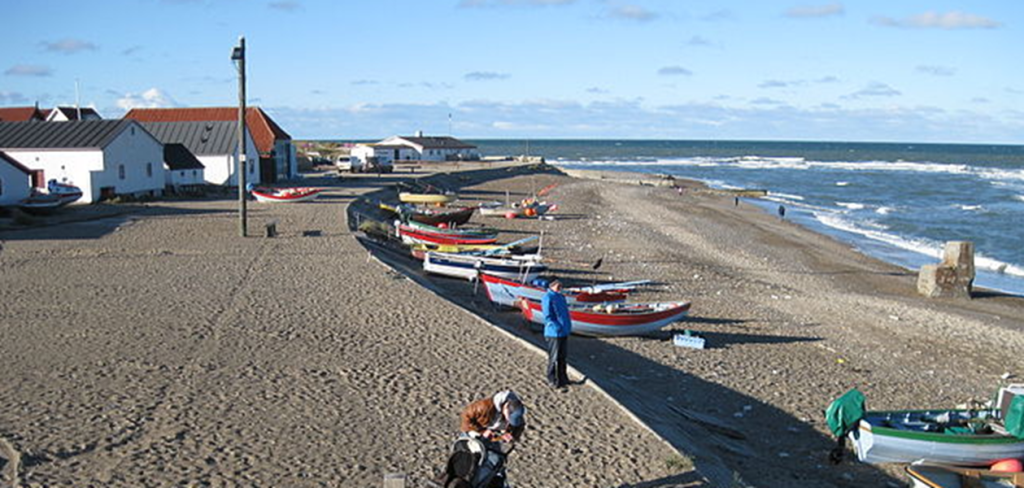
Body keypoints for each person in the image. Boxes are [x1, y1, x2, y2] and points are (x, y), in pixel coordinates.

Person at [460, 390, 527, 442]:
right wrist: (482, 432)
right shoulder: (484, 407)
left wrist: (511, 436)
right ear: (506, 407)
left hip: (491, 437)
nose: (508, 420)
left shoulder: (516, 410)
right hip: (473, 433)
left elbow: (519, 426)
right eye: (508, 416)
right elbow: (466, 416)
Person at [542, 280, 571, 388]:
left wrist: (567, 327)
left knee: (563, 357)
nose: (560, 287)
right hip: (553, 333)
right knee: (554, 357)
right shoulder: (548, 297)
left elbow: (565, 314)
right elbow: (548, 316)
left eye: (561, 285)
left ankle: (563, 377)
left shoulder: (561, 297)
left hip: (564, 331)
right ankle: (551, 379)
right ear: (552, 286)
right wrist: (557, 327)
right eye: (558, 285)